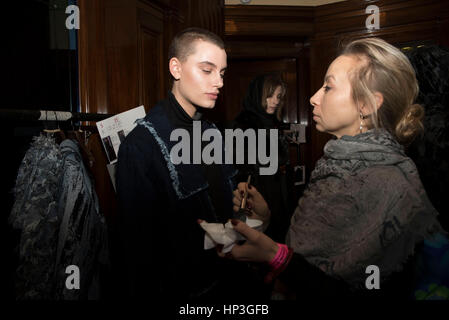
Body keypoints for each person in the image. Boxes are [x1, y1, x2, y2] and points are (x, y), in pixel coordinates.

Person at [221, 37, 446, 299]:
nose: (314, 97)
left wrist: (278, 258)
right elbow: (306, 250)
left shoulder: (388, 182)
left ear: (365, 105)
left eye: (328, 87)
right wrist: (266, 219)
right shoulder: (336, 166)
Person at [114, 27, 265, 300]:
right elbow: (137, 251)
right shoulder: (141, 145)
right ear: (176, 68)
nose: (218, 82)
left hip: (231, 282)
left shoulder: (214, 134)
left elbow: (223, 212)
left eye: (222, 73)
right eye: (207, 70)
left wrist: (243, 208)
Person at [232, 74, 294, 243]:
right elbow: (241, 170)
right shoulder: (244, 124)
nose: (274, 101)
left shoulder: (273, 123)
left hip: (280, 198)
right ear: (258, 94)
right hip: (259, 199)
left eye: (278, 96)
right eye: (270, 95)